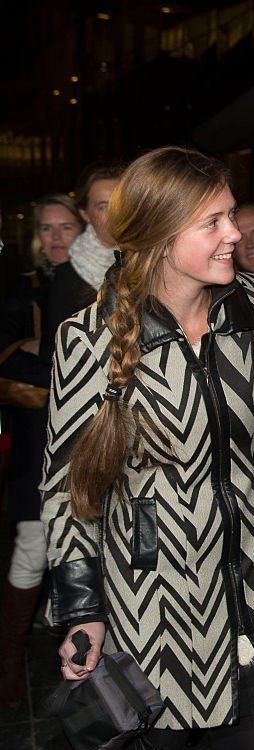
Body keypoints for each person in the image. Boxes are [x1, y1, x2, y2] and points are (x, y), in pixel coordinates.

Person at [42, 146, 254, 750]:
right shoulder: (90, 336)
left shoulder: (243, 304)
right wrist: (82, 609)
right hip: (155, 598)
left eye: (232, 217)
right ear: (159, 235)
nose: (235, 235)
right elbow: (68, 488)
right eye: (212, 222)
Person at [0, 194, 84, 707]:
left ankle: (91, 661)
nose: (55, 237)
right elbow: (7, 366)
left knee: (93, 557)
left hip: (93, 449)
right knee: (32, 553)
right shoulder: (22, 290)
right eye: (46, 228)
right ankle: (10, 659)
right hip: (38, 452)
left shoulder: (99, 286)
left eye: (65, 227)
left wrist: (43, 360)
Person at [46, 162, 122, 342]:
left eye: (122, 203)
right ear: (85, 214)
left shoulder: (154, 262)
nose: (115, 214)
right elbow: (53, 351)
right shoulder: (68, 276)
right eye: (103, 206)